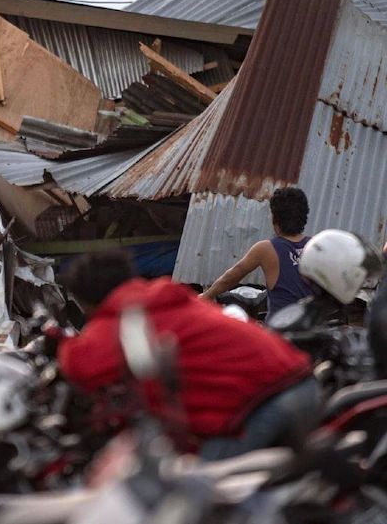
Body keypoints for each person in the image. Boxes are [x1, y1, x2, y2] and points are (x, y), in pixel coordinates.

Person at [59, 250, 320, 461]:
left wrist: (55, 342)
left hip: (269, 405)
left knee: (186, 487)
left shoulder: (122, 318)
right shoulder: (166, 296)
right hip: (303, 382)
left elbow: (79, 365)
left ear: (89, 302)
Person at [200, 187, 312, 316]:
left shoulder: (265, 249)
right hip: (313, 326)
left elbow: (231, 276)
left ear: (275, 218)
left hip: (281, 329)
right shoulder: (316, 246)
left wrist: (206, 296)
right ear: (304, 217)